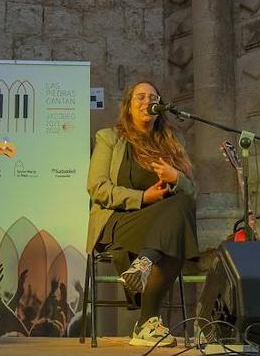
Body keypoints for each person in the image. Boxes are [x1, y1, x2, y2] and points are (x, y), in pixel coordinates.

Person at [86, 81, 198, 347]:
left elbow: (193, 192)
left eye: (152, 97)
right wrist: (143, 197)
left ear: (159, 106)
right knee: (176, 229)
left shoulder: (170, 143)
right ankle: (147, 321)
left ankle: (145, 263)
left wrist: (177, 178)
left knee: (181, 204)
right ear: (128, 104)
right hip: (118, 221)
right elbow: (96, 187)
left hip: (159, 225)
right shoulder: (109, 138)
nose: (146, 101)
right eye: (140, 96)